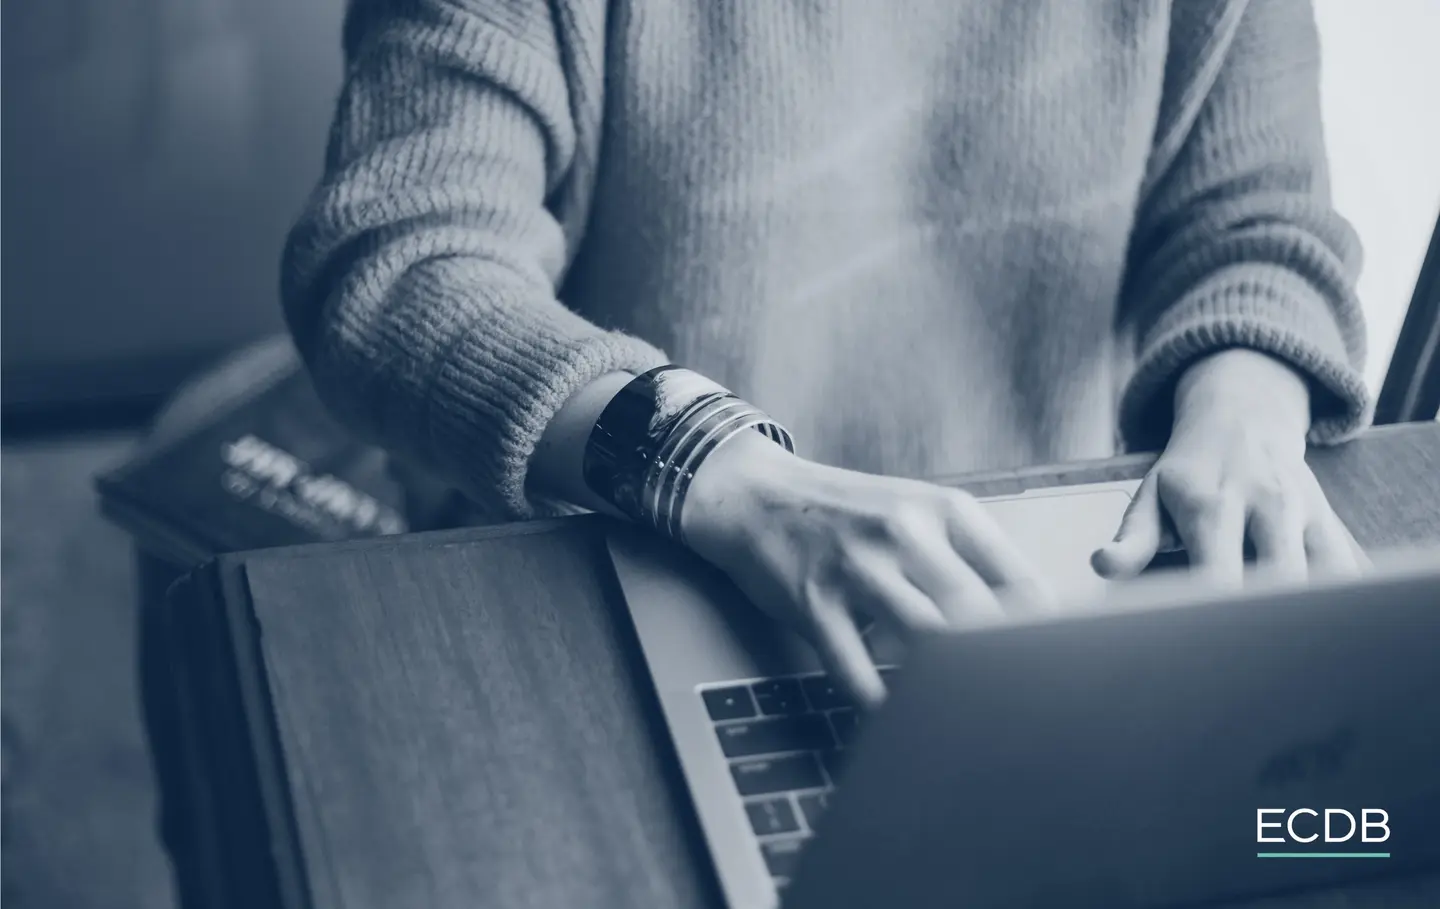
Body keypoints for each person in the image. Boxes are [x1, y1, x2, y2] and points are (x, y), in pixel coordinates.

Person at [281, 0, 1372, 706]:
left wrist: (1248, 403)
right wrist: (717, 468)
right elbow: (400, 265)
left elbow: (1255, 223)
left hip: (1033, 591)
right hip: (620, 574)